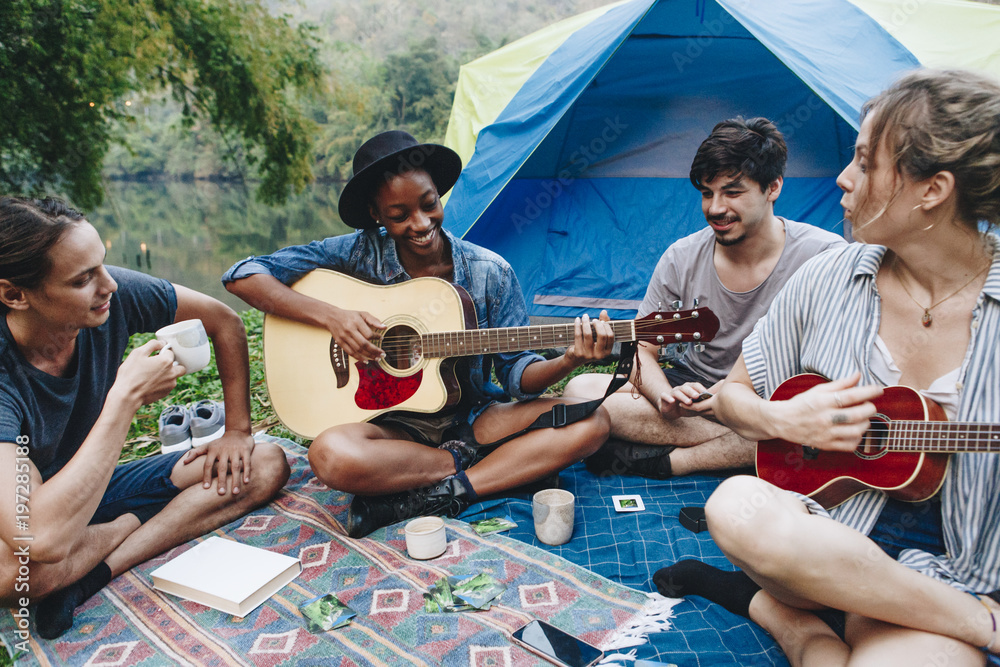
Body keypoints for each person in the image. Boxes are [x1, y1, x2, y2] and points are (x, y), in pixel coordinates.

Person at [655, 69, 1000, 665]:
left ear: (932, 189)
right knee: (733, 505)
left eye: (865, 162)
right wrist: (783, 420)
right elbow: (733, 398)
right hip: (826, 540)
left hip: (962, 563)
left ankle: (795, 623)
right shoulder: (829, 277)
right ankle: (977, 624)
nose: (843, 178)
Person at [223, 130, 613, 538]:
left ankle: (442, 492)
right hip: (389, 427)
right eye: (399, 215)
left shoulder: (488, 272)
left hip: (474, 420)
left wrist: (570, 360)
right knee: (330, 456)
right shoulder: (357, 252)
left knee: (593, 423)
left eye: (430, 205)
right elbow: (242, 275)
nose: (421, 223)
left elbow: (518, 377)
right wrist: (332, 317)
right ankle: (488, 470)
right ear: (376, 215)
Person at [0, 197, 290, 639]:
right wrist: (124, 399)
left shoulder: (112, 296)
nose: (109, 286)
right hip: (29, 509)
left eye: (103, 265)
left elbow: (225, 322)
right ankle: (129, 526)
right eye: (83, 279)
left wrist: (237, 431)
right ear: (14, 294)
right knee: (16, 574)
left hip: (90, 488)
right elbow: (40, 538)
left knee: (263, 464)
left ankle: (93, 575)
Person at [563, 117, 844, 479]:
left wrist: (737, 404)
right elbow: (642, 350)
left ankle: (673, 461)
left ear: (773, 187)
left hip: (769, 402)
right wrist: (664, 397)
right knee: (579, 390)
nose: (715, 208)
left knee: (801, 420)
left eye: (732, 192)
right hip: (691, 394)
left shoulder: (825, 256)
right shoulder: (682, 257)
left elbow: (832, 367)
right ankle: (739, 450)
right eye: (707, 193)